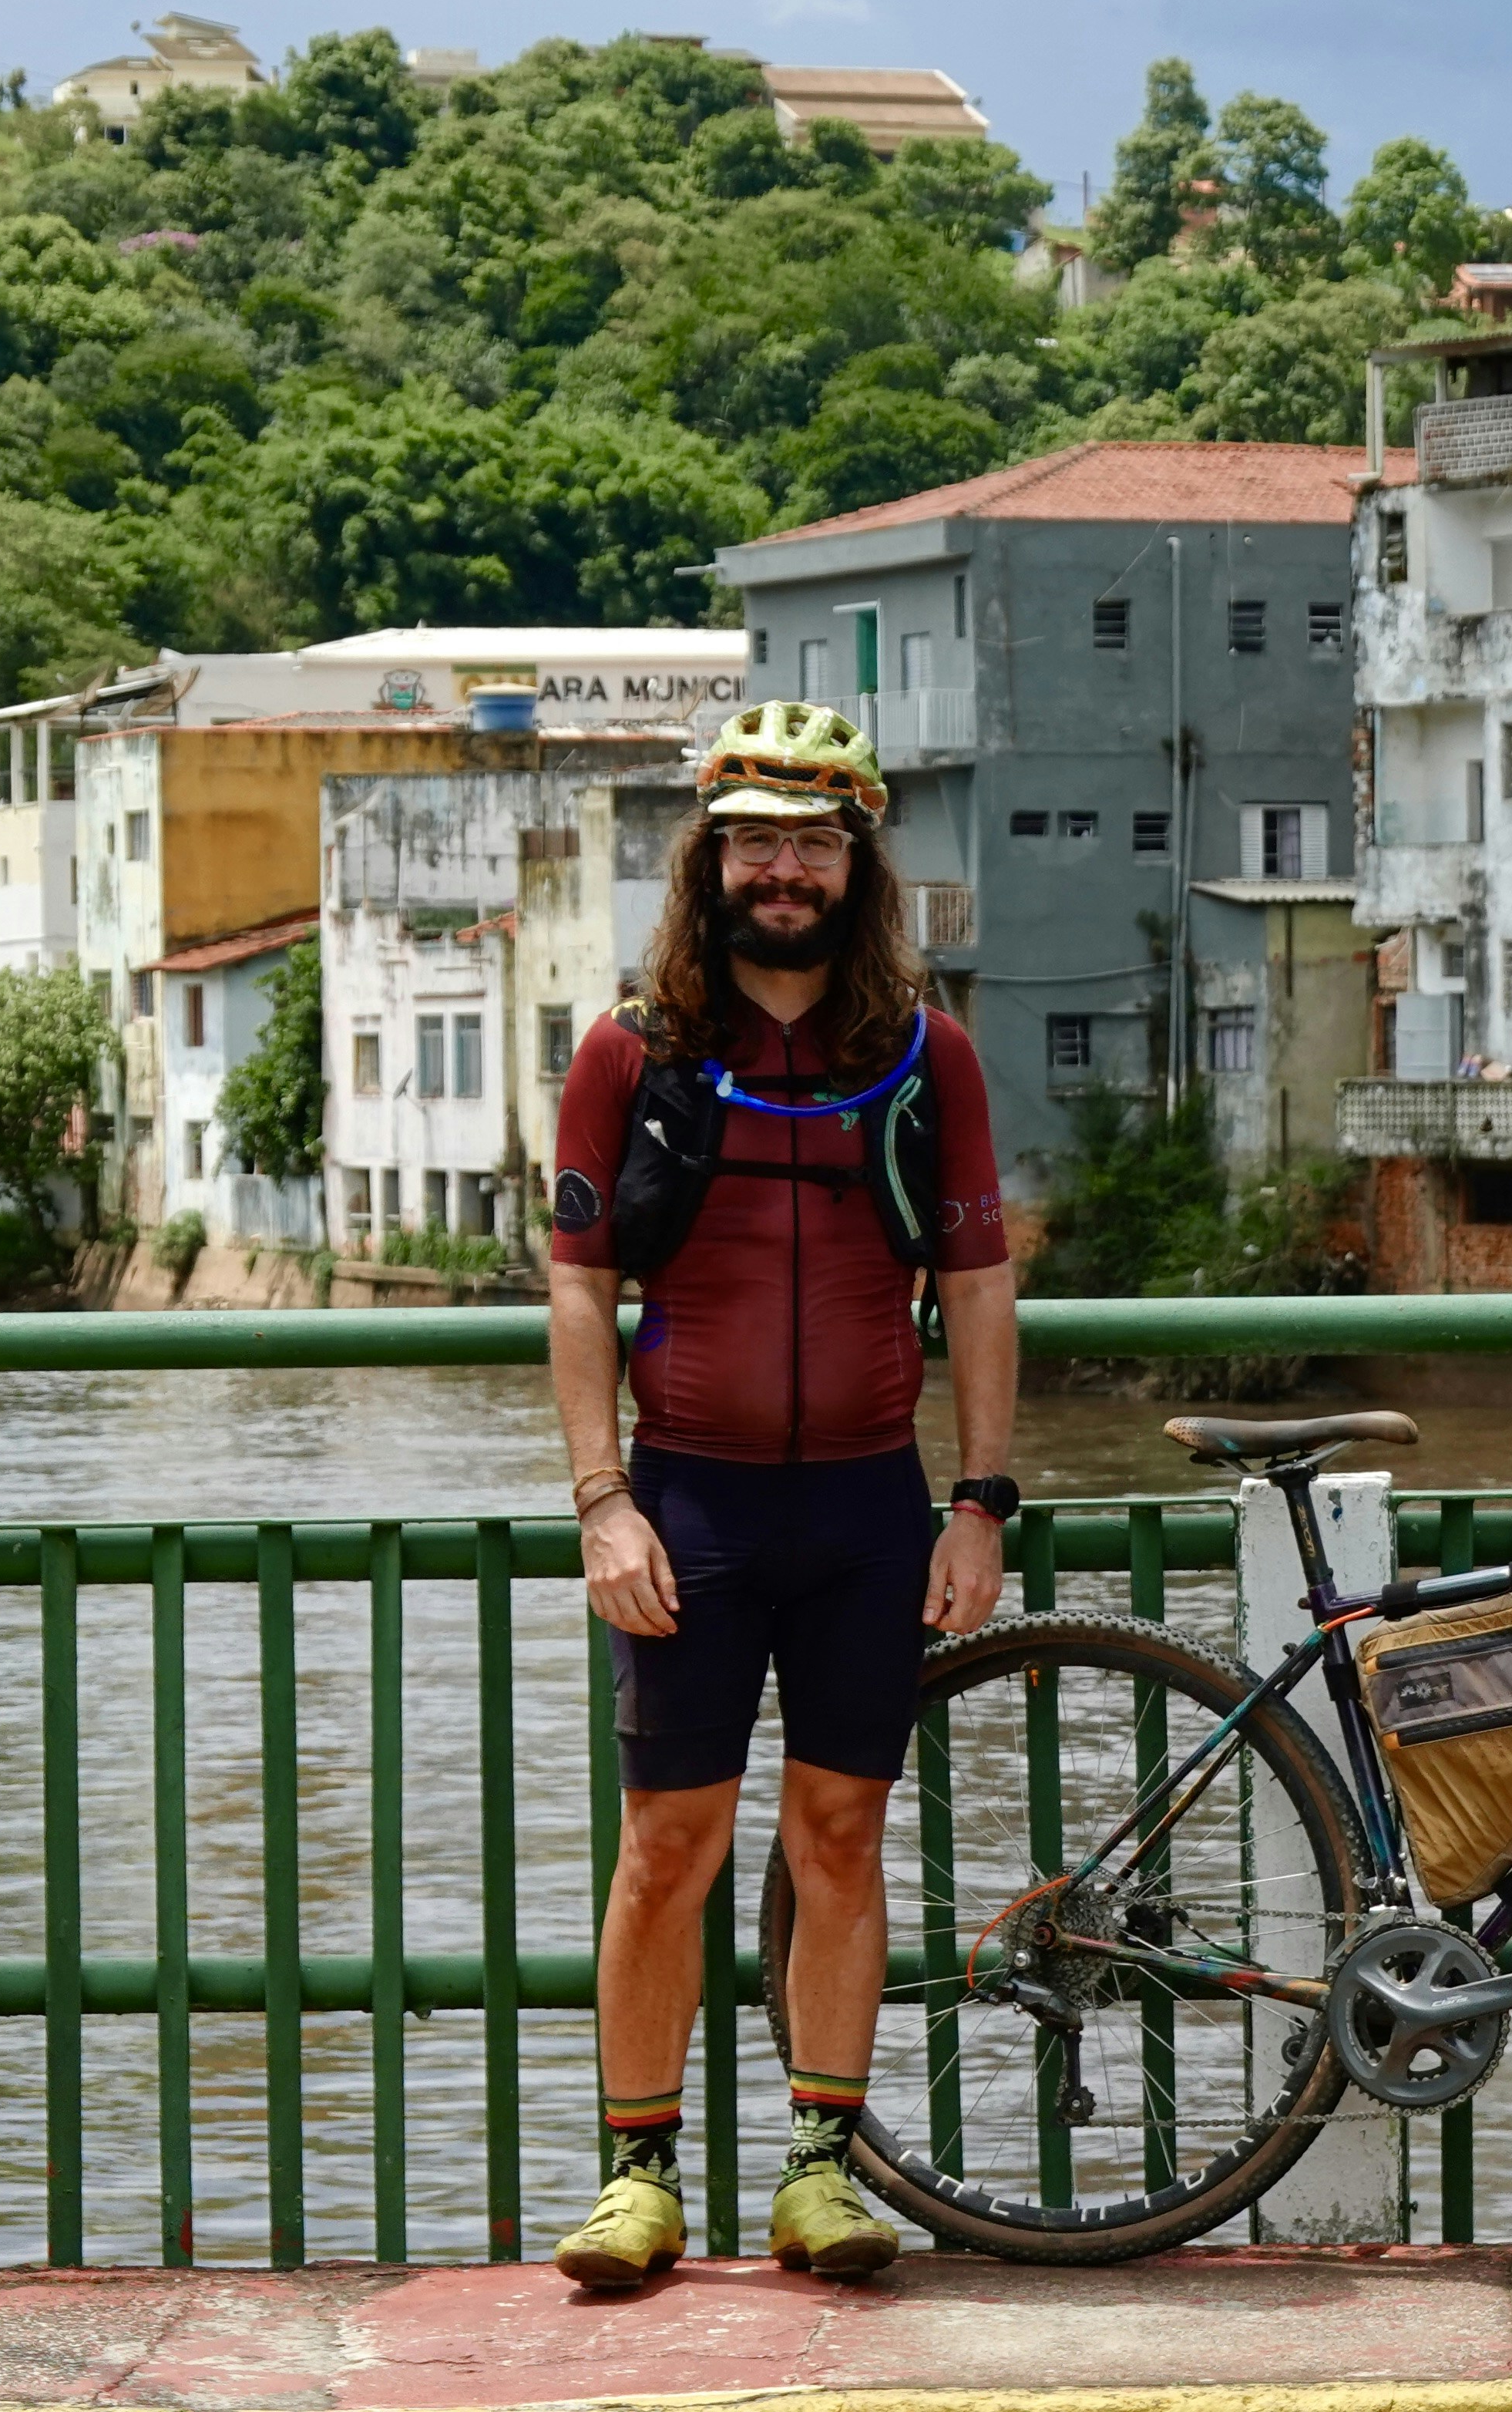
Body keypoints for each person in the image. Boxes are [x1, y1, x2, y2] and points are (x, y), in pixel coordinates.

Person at [540, 702, 1021, 2285]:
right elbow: (579, 1286)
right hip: (690, 1506)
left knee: (841, 1836)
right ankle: (637, 2180)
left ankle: (821, 2171)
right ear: (710, 861)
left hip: (870, 1509)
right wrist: (603, 1500)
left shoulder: (925, 1054)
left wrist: (981, 1500)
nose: (784, 871)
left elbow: (979, 1282)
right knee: (666, 1846)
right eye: (755, 841)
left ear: (857, 863)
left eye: (814, 842)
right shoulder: (633, 1052)